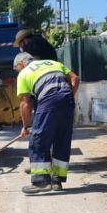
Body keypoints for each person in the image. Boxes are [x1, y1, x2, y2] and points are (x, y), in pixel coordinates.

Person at [15, 51, 79, 194]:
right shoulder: (54, 63)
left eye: (16, 69)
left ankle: (41, 182)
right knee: (61, 140)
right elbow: (75, 79)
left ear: (22, 64)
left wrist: (27, 126)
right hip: (67, 102)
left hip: (48, 103)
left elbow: (26, 104)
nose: (17, 72)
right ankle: (57, 181)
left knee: (38, 140)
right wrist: (66, 97)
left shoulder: (24, 73)